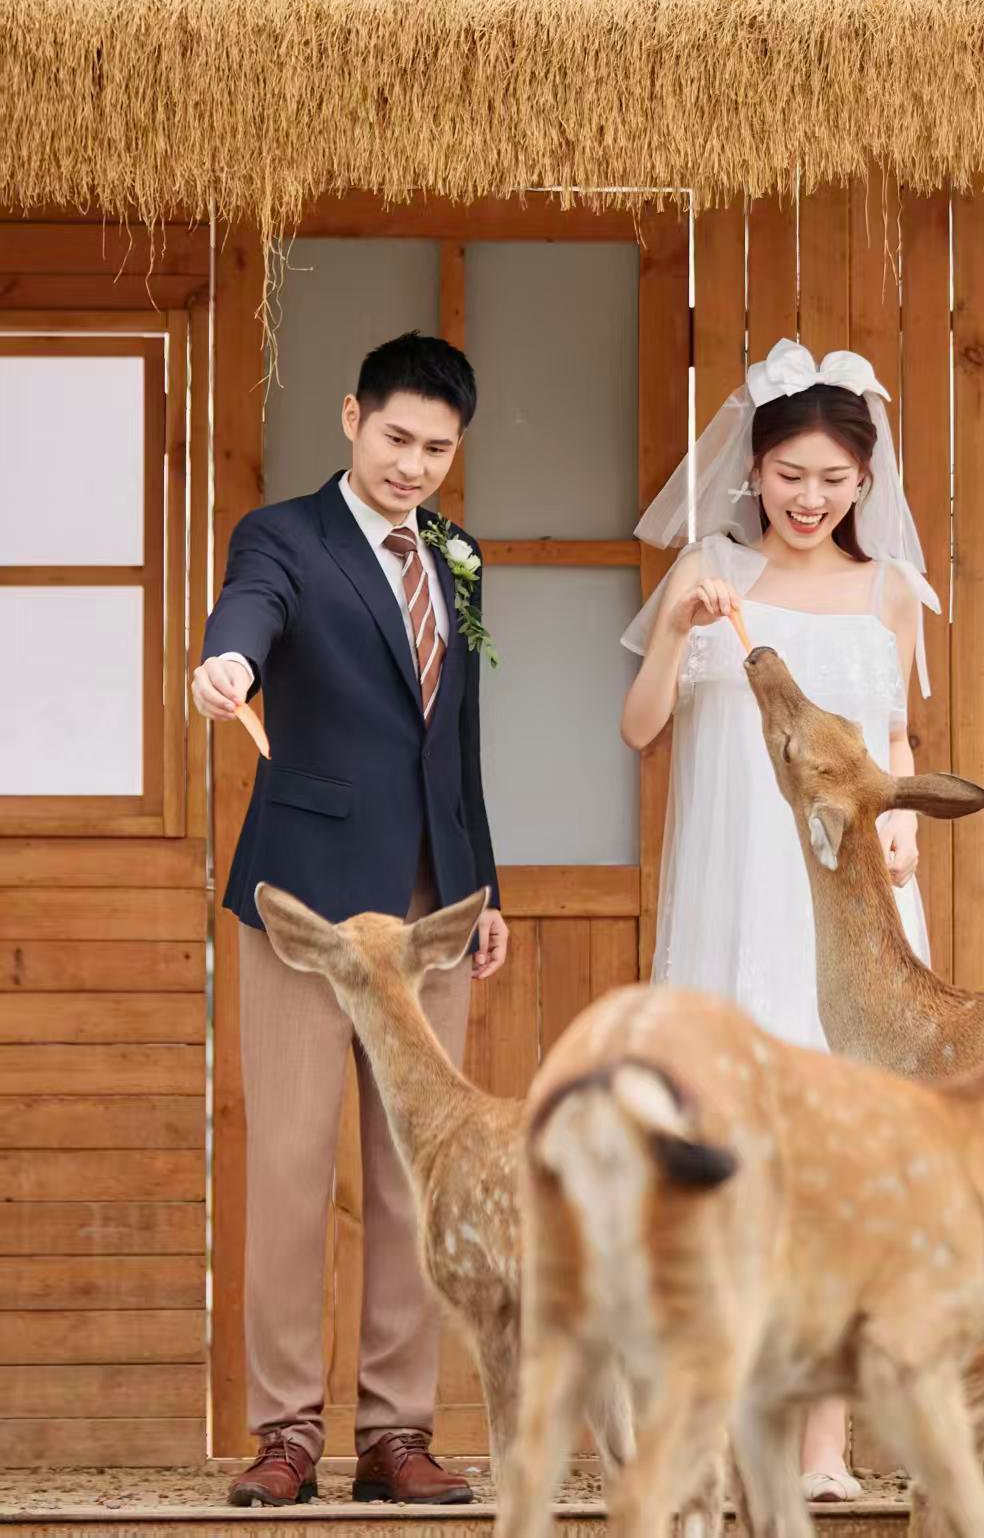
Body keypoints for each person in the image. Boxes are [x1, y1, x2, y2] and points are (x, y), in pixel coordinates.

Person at [192, 332, 508, 1508]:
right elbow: (249, 611)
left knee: (414, 1175)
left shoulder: (459, 557)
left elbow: (458, 742)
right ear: (350, 418)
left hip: (431, 912)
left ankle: (395, 1432)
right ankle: (284, 1430)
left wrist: (485, 890)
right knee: (286, 1163)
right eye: (396, 438)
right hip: (306, 906)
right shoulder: (284, 536)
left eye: (436, 448)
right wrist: (227, 665)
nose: (412, 465)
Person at [620, 338, 938, 1502]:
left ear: (864, 481)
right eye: (788, 474)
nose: (808, 498)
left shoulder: (891, 590)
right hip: (731, 882)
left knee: (837, 1161)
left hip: (845, 898)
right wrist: (674, 627)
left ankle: (822, 1447)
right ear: (751, 469)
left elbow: (894, 740)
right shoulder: (708, 568)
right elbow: (640, 727)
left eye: (832, 480)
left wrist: (903, 825)